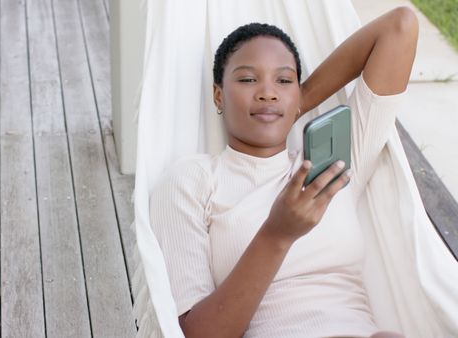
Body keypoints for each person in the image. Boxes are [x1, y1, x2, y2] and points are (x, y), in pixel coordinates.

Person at [150, 6, 418, 338]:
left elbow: (400, 27)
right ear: (218, 95)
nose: (267, 91)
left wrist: (291, 105)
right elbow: (198, 334)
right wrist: (277, 234)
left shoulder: (332, 163)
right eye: (248, 79)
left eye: (284, 80)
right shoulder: (192, 180)